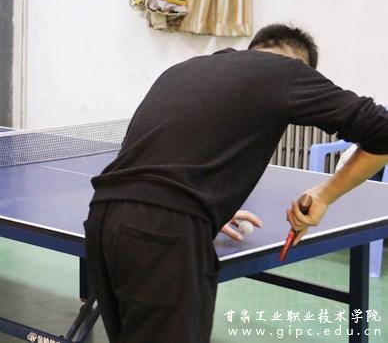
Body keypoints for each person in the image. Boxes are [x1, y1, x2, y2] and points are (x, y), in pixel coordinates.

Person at [83, 24, 388, 343]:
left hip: (104, 220)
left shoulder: (184, 68)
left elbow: (161, 158)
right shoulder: (286, 72)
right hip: (163, 233)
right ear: (300, 67)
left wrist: (210, 205)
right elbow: (382, 131)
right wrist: (324, 196)